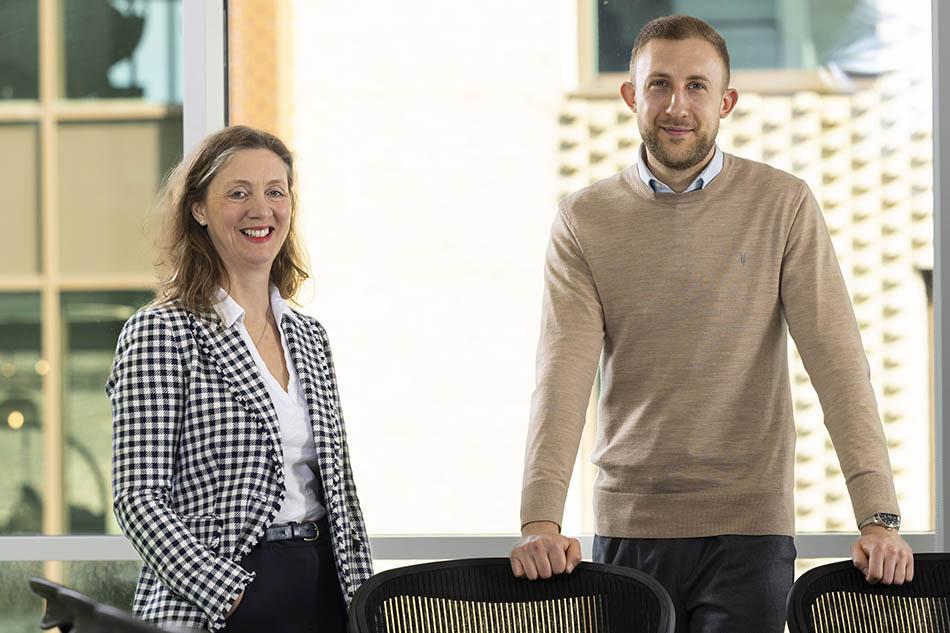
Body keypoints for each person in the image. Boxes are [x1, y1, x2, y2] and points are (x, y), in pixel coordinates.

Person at [510, 14, 913, 633]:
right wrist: (541, 519)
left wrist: (877, 517)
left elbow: (837, 363)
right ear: (631, 96)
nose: (677, 104)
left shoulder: (784, 204)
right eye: (659, 85)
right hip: (631, 526)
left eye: (697, 86)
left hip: (750, 532)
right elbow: (560, 378)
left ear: (726, 101)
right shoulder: (583, 219)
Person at [108, 125, 372, 632]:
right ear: (199, 209)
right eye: (238, 193)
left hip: (325, 588)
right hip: (224, 595)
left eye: (276, 191)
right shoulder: (162, 331)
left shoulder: (310, 338)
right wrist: (229, 595)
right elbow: (138, 499)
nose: (261, 209)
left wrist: (360, 598)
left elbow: (339, 491)